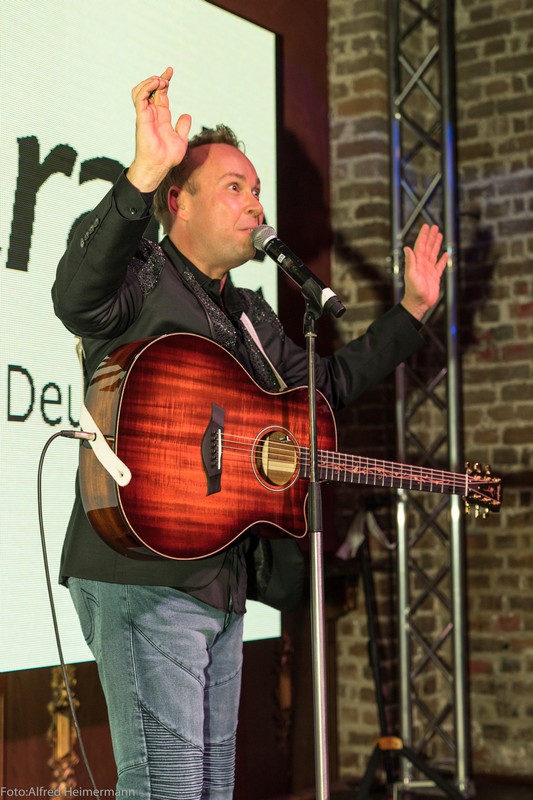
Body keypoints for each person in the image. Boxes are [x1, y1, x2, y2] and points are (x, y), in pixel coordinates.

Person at [52, 66, 448, 800]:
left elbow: (322, 390)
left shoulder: (250, 315)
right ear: (178, 200)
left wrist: (413, 313)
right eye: (235, 187)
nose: (255, 204)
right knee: (168, 787)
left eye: (257, 189)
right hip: (141, 566)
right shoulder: (141, 274)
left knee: (209, 787)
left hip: (222, 577)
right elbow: (76, 297)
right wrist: (143, 170)